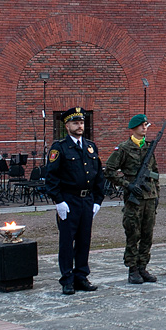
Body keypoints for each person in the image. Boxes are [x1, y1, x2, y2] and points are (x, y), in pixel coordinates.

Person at [44, 107, 106, 295]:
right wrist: (58, 200)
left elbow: (98, 174)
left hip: (86, 200)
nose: (80, 126)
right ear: (67, 125)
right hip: (69, 200)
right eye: (75, 123)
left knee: (84, 240)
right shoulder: (59, 147)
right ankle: (67, 279)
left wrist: (97, 199)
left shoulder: (90, 146)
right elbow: (51, 176)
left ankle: (81, 276)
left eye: (81, 123)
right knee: (66, 241)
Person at [104, 114, 161, 284]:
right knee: (133, 233)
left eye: (146, 125)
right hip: (134, 198)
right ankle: (132, 269)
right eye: (142, 125)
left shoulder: (149, 148)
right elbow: (109, 171)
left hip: (149, 198)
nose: (145, 128)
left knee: (147, 234)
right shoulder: (124, 148)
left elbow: (155, 173)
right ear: (134, 127)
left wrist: (157, 193)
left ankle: (143, 267)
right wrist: (127, 185)